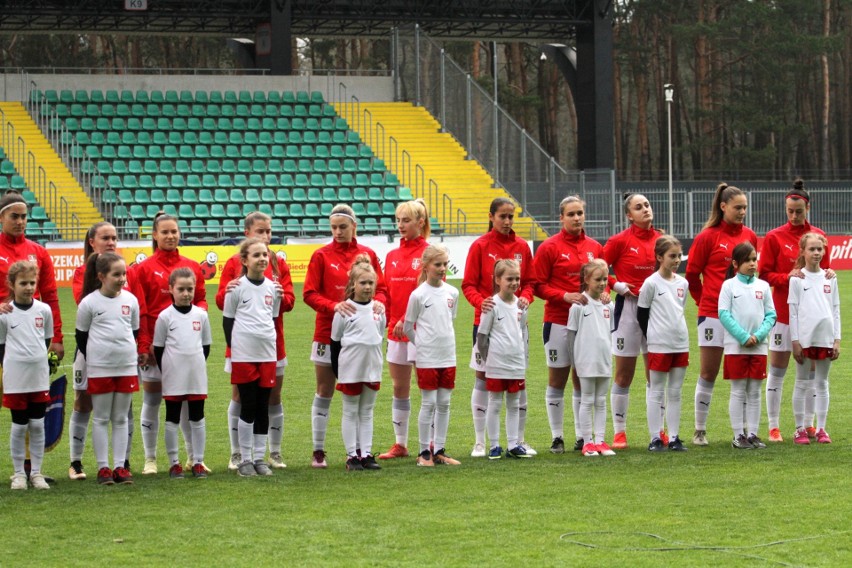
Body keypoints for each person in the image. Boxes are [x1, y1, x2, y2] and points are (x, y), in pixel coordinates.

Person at [303, 204, 388, 468]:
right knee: (325, 390)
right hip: (327, 331)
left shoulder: (368, 254)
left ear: (354, 226)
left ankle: (361, 452)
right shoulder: (321, 256)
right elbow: (309, 293)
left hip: (361, 335)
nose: (338, 232)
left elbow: (382, 289)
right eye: (333, 227)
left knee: (361, 396)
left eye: (343, 226)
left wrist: (380, 302)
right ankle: (319, 450)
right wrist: (334, 306)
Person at [216, 212, 295, 470]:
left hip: (272, 343)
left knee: (272, 396)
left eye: (269, 232)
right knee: (241, 397)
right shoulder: (233, 265)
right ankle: (238, 453)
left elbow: (289, 302)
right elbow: (222, 302)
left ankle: (274, 452)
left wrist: (283, 297)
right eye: (261, 231)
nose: (266, 237)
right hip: (242, 345)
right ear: (248, 232)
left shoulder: (278, 264)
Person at [132, 212, 208, 475]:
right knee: (153, 400)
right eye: (164, 232)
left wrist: (194, 336)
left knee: (188, 402)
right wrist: (145, 345)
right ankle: (150, 459)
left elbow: (202, 302)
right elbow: (141, 310)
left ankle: (192, 458)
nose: (170, 236)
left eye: (174, 231)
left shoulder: (191, 266)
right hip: (155, 349)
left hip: (184, 349)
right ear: (154, 235)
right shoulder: (142, 269)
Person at [758, 180, 832, 442]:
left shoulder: (818, 237)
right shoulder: (775, 237)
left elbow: (824, 277)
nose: (793, 215)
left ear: (807, 208)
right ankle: (774, 426)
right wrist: (786, 277)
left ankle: (809, 425)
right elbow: (764, 274)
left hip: (811, 320)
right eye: (789, 210)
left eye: (798, 211)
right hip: (782, 315)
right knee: (777, 370)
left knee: (810, 373)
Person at [68, 222, 143, 480]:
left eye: (114, 237)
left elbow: (133, 323)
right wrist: (93, 353)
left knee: (122, 413)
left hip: (122, 357)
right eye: (105, 237)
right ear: (92, 241)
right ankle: (78, 461)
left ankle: (122, 463)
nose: (111, 242)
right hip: (93, 355)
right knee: (85, 405)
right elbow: (82, 327)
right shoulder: (83, 276)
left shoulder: (126, 288)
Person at [685, 183, 757, 446]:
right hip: (713, 315)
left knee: (745, 374)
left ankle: (746, 430)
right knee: (708, 372)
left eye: (744, 207)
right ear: (723, 207)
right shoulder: (707, 237)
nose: (742, 212)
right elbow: (692, 274)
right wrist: (704, 301)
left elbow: (753, 274)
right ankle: (700, 429)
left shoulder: (749, 235)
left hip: (743, 317)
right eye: (738, 207)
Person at [533, 195, 606, 453]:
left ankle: (581, 436)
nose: (577, 218)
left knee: (581, 378)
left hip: (587, 326)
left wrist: (607, 292)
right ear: (561, 217)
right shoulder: (549, 247)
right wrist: (563, 296)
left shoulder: (595, 247)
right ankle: (556, 437)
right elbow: (537, 285)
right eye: (571, 214)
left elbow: (605, 277)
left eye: (580, 213)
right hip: (557, 322)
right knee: (557, 379)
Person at [463, 198, 535, 458]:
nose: (507, 221)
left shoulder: (521, 247)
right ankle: (481, 441)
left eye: (511, 216)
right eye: (502, 216)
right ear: (491, 216)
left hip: (515, 327)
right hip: (484, 325)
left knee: (518, 381)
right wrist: (479, 303)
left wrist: (526, 296)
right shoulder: (480, 245)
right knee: (484, 381)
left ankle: (519, 440)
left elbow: (530, 282)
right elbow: (468, 284)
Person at [603, 193, 662, 449]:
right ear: (629, 215)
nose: (645, 210)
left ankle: (658, 431)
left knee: (656, 374)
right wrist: (616, 285)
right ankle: (619, 432)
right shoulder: (619, 241)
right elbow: (597, 270)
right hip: (627, 309)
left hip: (656, 311)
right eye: (638, 207)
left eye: (647, 205)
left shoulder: (661, 239)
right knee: (624, 374)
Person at [222, 238, 282, 477]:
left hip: (267, 355)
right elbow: (228, 322)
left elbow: (273, 319)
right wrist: (235, 349)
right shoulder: (235, 288)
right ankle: (245, 459)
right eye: (256, 255)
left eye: (265, 255)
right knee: (247, 406)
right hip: (244, 356)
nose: (262, 259)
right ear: (244, 261)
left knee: (262, 408)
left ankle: (259, 458)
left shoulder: (274, 289)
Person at [378, 199, 430, 460]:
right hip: (395, 331)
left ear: (420, 222)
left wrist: (406, 320)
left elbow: (428, 296)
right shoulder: (391, 255)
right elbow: (388, 294)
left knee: (426, 386)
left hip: (422, 332)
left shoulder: (430, 253)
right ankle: (400, 444)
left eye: (406, 220)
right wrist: (390, 319)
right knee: (399, 387)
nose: (400, 225)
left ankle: (430, 443)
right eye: (398, 220)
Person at [403, 244, 461, 467]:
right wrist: (422, 345)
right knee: (428, 403)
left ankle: (440, 450)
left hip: (448, 355)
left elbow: (449, 320)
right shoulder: (418, 295)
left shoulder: (452, 292)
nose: (442, 268)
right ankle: (423, 452)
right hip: (427, 357)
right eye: (438, 264)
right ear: (426, 266)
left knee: (444, 403)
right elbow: (409, 327)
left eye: (445, 264)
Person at [153, 268, 213, 479]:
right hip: (173, 375)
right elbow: (158, 349)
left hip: (196, 374)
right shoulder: (164, 317)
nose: (186, 293)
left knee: (197, 417)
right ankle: (174, 463)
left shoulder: (201, 315)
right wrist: (171, 368)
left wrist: (193, 364)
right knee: (172, 418)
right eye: (181, 289)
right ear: (171, 289)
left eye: (190, 289)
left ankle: (198, 461)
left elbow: (205, 346)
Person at [0, 261, 54, 490]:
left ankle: (37, 473)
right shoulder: (4, 314)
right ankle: (19, 474)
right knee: (19, 426)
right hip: (15, 377)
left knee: (38, 424)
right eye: (23, 283)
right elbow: (1, 346)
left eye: (32, 282)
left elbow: (47, 340)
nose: (29, 287)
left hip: (38, 376)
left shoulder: (44, 310)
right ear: (11, 284)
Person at [330, 256, 386, 471]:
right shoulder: (344, 310)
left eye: (371, 283)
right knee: (350, 411)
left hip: (372, 367)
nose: (367, 287)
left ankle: (367, 454)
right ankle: (352, 455)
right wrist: (338, 370)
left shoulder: (378, 310)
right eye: (362, 282)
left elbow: (378, 337)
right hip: (350, 368)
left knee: (367, 411)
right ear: (353, 284)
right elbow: (335, 342)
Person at [718, 242, 776, 450]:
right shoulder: (729, 286)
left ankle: (752, 434)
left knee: (755, 391)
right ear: (735, 263)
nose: (752, 264)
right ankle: (737, 435)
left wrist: (759, 336)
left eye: (754, 259)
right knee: (738, 390)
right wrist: (743, 337)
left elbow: (771, 314)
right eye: (747, 260)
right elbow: (724, 314)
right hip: (736, 347)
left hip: (759, 346)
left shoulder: (762, 286)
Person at [637, 236, 690, 452]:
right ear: (659, 257)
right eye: (672, 256)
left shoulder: (682, 283)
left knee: (675, 391)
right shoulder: (651, 283)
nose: (677, 260)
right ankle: (655, 437)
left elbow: (680, 309)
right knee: (656, 391)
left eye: (679, 256)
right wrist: (653, 337)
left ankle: (675, 437)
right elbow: (642, 314)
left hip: (680, 343)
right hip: (659, 344)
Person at [476, 259, 531, 460]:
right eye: (509, 278)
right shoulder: (491, 305)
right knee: (495, 403)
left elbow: (522, 330)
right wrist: (487, 359)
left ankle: (513, 444)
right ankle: (495, 445)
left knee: (514, 403)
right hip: (497, 363)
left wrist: (523, 357)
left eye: (517, 278)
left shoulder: (521, 306)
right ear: (498, 280)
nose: (515, 282)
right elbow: (482, 336)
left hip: (516, 363)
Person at [789, 233, 840, 445]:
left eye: (820, 249)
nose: (816, 253)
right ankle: (800, 428)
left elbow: (836, 310)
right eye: (812, 249)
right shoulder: (797, 279)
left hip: (826, 338)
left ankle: (821, 429)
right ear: (803, 251)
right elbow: (793, 312)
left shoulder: (830, 277)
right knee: (801, 382)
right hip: (805, 339)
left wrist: (837, 339)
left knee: (822, 383)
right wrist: (795, 341)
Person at [0, 193, 64, 358]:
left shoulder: (39, 252)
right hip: (2, 327)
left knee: (32, 380)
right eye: (14, 217)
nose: (20, 222)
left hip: (32, 329)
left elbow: (50, 297)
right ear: (1, 217)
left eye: (23, 217)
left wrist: (57, 337)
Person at [566, 259, 615, 457]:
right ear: (586, 280)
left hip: (604, 359)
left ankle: (601, 441)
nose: (602, 283)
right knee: (587, 400)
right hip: (585, 360)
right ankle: (587, 442)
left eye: (605, 279)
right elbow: (571, 335)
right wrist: (574, 362)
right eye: (598, 279)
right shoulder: (578, 306)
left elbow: (609, 330)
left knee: (601, 400)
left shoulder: (608, 305)